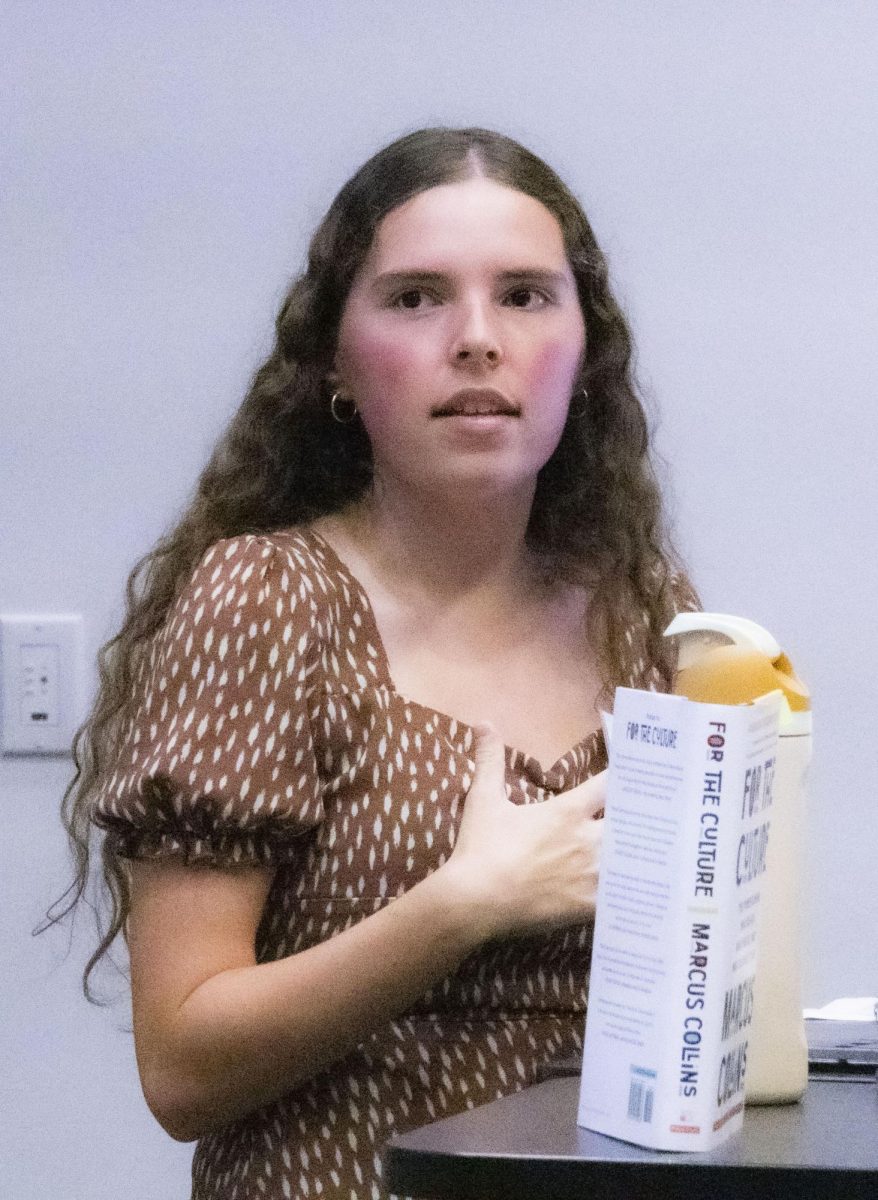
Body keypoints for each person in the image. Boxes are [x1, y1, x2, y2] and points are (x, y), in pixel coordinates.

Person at [55, 126, 698, 1199]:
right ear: (337, 365)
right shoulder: (265, 600)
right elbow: (178, 1068)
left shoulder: (647, 615)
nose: (476, 340)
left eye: (527, 296)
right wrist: (461, 905)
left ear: (586, 356)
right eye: (414, 298)